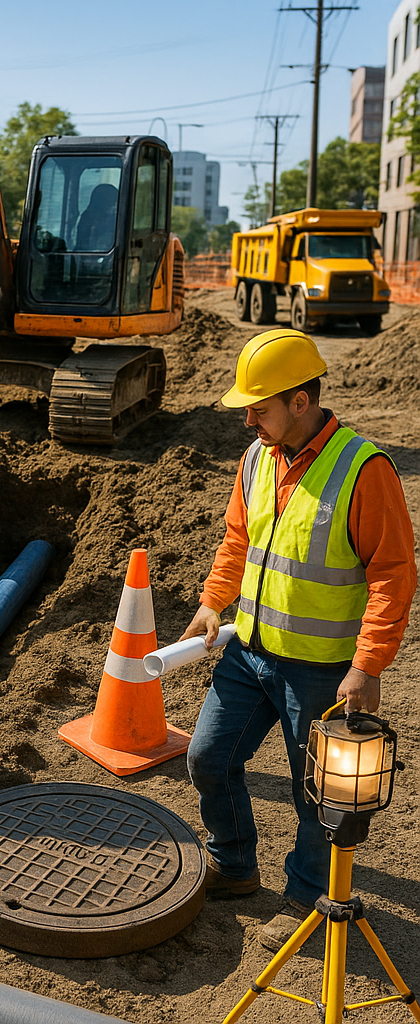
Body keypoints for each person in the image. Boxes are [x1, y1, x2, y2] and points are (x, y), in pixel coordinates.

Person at [180, 327, 416, 953]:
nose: (248, 419)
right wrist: (211, 601)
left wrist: (368, 664)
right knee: (208, 757)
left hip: (319, 666)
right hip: (249, 650)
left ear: (301, 402)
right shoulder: (259, 457)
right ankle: (234, 865)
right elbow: (239, 538)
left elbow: (393, 572)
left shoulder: (365, 470)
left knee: (314, 794)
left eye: (258, 407)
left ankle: (307, 893)